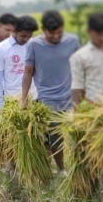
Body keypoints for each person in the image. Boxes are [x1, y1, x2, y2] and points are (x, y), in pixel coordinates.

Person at [21, 10, 80, 171]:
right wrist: (24, 99)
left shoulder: (72, 41)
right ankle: (61, 169)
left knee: (78, 136)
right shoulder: (34, 45)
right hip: (47, 100)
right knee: (55, 138)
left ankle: (79, 169)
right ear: (42, 29)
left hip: (70, 98)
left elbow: (80, 68)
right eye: (51, 34)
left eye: (59, 33)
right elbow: (27, 72)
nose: (56, 37)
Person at [0, 15, 38, 112]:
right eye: (23, 36)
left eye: (29, 36)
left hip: (34, 98)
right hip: (12, 101)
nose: (26, 39)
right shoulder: (0, 49)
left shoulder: (34, 45)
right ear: (14, 31)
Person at [70, 12, 103, 105]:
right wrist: (76, 113)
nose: (102, 37)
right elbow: (77, 85)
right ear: (89, 31)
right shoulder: (79, 56)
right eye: (98, 34)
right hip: (94, 107)